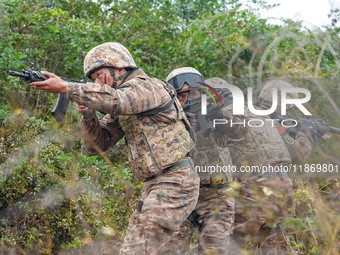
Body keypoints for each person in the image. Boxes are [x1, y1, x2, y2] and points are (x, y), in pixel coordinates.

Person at [29, 42, 200, 254]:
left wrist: (67, 88)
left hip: (175, 181)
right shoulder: (122, 102)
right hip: (155, 185)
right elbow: (96, 146)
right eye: (93, 80)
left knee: (135, 250)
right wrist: (87, 113)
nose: (98, 83)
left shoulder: (148, 87)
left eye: (100, 76)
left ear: (119, 68)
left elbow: (119, 100)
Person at [160, 68, 247, 255]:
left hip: (217, 194)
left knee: (215, 249)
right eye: (182, 95)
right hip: (179, 193)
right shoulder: (165, 115)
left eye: (193, 92)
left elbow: (240, 130)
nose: (190, 98)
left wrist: (217, 116)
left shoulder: (216, 109)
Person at [221, 79, 312, 254]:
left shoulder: (244, 112)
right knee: (274, 245)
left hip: (255, 187)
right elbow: (300, 154)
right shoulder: (273, 123)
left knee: (239, 245)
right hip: (281, 188)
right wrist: (302, 133)